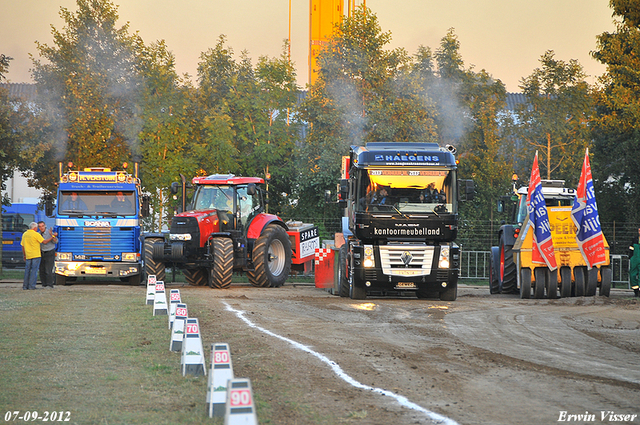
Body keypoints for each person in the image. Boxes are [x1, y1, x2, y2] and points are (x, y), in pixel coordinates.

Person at [20, 222, 55, 290]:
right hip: (36, 255)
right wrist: (53, 236)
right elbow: (44, 242)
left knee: (27, 270)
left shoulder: (24, 234)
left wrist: (24, 255)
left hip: (28, 255)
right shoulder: (36, 234)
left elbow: (22, 246)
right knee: (34, 271)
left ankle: (25, 286)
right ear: (35, 228)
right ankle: (32, 286)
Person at [38, 221, 58, 288]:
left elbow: (56, 241)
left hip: (49, 252)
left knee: (48, 269)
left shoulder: (49, 232)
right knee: (42, 269)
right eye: (40, 226)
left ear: (45, 226)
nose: (41, 228)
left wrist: (53, 236)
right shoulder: (38, 234)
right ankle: (44, 284)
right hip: (41, 252)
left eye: (42, 226)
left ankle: (50, 284)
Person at [629, 227, 640, 297]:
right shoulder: (635, 239)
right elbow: (631, 248)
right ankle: (636, 291)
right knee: (632, 275)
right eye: (639, 230)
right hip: (635, 260)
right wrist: (631, 257)